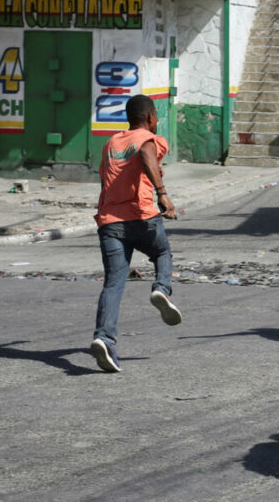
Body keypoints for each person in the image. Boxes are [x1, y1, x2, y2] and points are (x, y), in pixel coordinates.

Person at [90, 95, 181, 373]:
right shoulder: (149, 139)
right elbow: (145, 154)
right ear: (151, 116)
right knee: (162, 252)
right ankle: (161, 289)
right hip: (140, 216)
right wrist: (163, 194)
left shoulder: (110, 144)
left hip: (109, 222)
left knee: (113, 284)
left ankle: (104, 338)